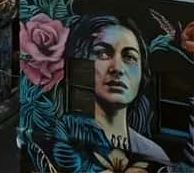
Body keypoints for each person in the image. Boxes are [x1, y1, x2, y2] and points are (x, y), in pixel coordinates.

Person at [68, 15, 170, 164]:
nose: (117, 68)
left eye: (129, 57)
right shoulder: (63, 134)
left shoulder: (155, 155)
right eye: (103, 53)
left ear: (143, 74)